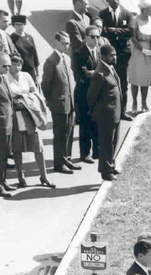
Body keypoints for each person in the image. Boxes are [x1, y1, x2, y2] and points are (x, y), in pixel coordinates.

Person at [7, 53, 54, 188]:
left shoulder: (26, 76)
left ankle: (44, 177)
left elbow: (35, 94)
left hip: (29, 115)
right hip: (15, 117)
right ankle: (21, 178)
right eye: (14, 64)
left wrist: (24, 98)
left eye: (19, 64)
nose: (17, 67)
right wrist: (19, 99)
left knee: (38, 147)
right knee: (17, 149)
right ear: (9, 66)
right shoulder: (5, 78)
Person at [41, 32, 78, 175]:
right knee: (60, 134)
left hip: (69, 102)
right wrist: (51, 102)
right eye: (64, 43)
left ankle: (65, 158)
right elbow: (45, 85)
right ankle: (58, 163)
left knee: (68, 132)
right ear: (56, 42)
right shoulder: (51, 61)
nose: (67, 46)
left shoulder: (67, 59)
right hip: (59, 104)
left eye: (68, 43)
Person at [86, 44, 121, 182]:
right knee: (106, 143)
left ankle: (111, 165)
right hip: (106, 115)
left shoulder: (111, 69)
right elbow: (91, 96)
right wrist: (98, 112)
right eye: (112, 55)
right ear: (104, 56)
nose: (115, 57)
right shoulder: (99, 73)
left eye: (115, 54)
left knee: (113, 142)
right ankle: (105, 172)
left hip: (116, 113)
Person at [98, 0, 133, 119]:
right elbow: (101, 31)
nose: (114, 1)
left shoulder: (127, 14)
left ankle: (122, 112)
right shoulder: (102, 14)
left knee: (123, 83)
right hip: (107, 53)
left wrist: (114, 30)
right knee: (107, 82)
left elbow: (131, 30)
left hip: (123, 53)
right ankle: (109, 111)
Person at [71, 24, 100, 165]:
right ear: (85, 37)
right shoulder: (79, 53)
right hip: (84, 95)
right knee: (85, 125)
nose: (95, 39)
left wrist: (96, 73)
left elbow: (105, 70)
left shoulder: (99, 52)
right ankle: (85, 153)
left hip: (97, 94)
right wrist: (99, 73)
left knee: (97, 123)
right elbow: (84, 74)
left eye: (98, 37)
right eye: (92, 36)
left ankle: (97, 151)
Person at [128, 0, 151, 113]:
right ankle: (134, 102)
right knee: (135, 78)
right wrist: (142, 49)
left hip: (150, 50)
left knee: (146, 78)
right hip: (137, 50)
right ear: (144, 9)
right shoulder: (135, 20)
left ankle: (144, 103)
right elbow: (133, 37)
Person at [0, 52, 14, 198]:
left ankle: (3, 181)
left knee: (4, 157)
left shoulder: (4, 79)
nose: (8, 68)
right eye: (4, 65)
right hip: (1, 125)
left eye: (9, 65)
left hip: (8, 124)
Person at [9, 15, 37, 83]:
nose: (20, 27)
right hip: (19, 69)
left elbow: (35, 55)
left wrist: (37, 73)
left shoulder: (29, 37)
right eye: (17, 25)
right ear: (13, 25)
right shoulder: (11, 38)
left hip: (31, 70)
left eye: (22, 24)